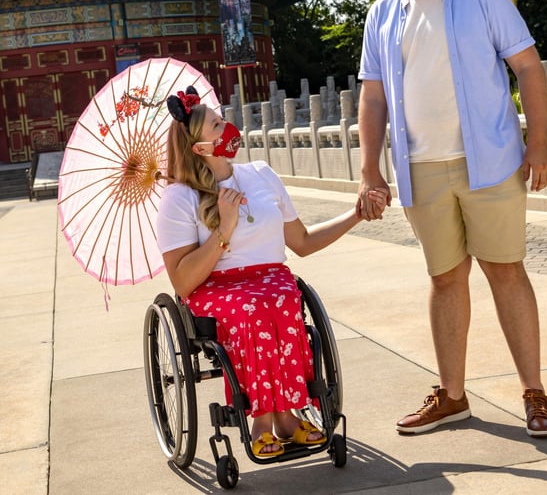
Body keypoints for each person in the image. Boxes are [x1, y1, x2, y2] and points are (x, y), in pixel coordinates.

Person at [356, 0, 547, 438]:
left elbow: (528, 69)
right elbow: (372, 98)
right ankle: (452, 397)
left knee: (505, 271)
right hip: (420, 169)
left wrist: (537, 144)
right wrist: (368, 170)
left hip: (489, 161)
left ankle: (535, 394)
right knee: (444, 279)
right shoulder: (381, 14)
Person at [156, 86, 386, 458]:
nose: (227, 127)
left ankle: (288, 418)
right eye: (217, 126)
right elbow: (182, 281)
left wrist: (357, 215)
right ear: (200, 148)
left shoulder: (261, 175)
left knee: (282, 297)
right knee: (255, 309)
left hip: (271, 279)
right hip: (218, 289)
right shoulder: (179, 198)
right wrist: (223, 229)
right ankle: (263, 421)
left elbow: (303, 242)